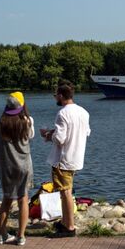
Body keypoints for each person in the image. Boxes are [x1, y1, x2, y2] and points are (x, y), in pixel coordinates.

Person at [40, 81, 91, 238]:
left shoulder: (62, 113)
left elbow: (60, 139)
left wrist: (48, 135)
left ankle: (69, 227)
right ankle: (65, 222)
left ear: (61, 96)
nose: (55, 97)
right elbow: (86, 132)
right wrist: (54, 131)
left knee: (66, 192)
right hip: (76, 157)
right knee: (65, 192)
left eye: (56, 95)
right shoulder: (83, 112)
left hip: (63, 159)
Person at [0, 92, 34, 246]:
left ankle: (2, 235)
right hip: (24, 166)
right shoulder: (28, 121)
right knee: (23, 200)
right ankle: (21, 236)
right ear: (22, 106)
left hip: (6, 167)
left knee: (6, 200)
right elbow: (30, 137)